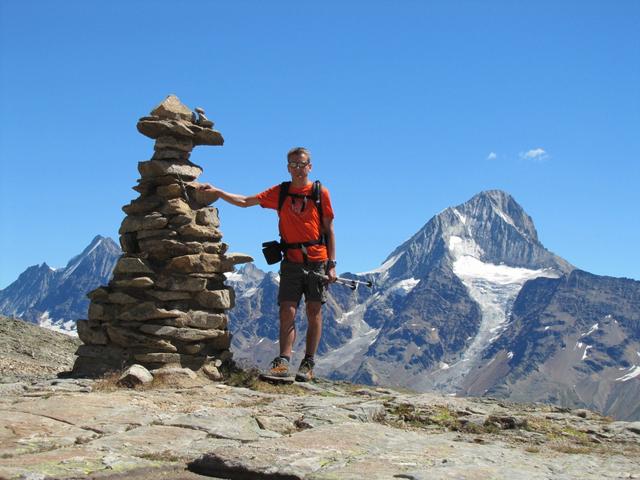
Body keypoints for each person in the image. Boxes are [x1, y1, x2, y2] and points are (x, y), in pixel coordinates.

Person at [196, 147, 336, 382]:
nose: (298, 169)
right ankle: (283, 360)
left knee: (314, 311)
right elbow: (245, 201)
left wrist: (331, 264)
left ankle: (308, 362)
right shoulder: (280, 192)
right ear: (288, 167)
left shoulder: (321, 193)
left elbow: (329, 229)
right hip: (291, 261)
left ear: (310, 166)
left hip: (317, 260)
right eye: (293, 164)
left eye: (302, 164)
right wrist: (219, 192)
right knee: (287, 310)